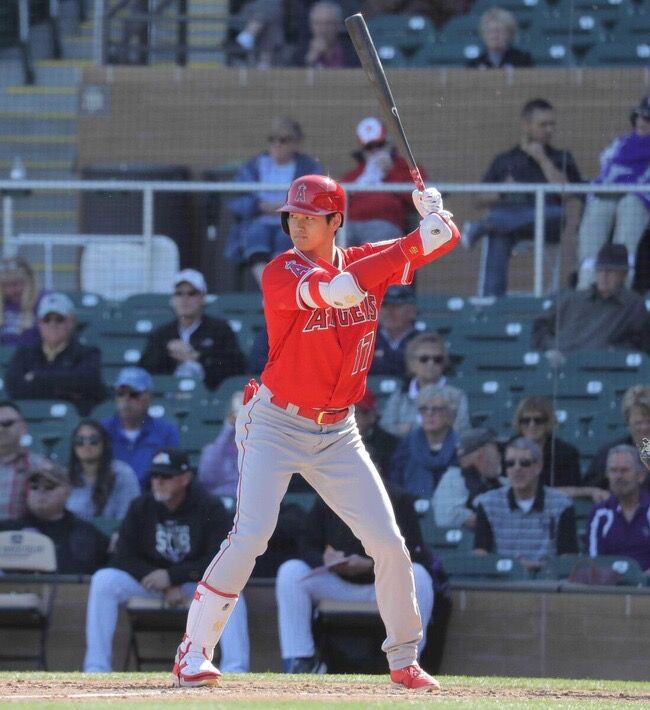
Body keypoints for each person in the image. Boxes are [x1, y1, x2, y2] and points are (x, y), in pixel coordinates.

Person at [171, 174, 460, 692]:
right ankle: (193, 652)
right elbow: (338, 290)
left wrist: (434, 218)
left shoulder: (365, 258)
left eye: (309, 217)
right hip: (275, 422)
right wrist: (413, 242)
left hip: (338, 430)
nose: (298, 225)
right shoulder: (281, 270)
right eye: (292, 216)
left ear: (336, 221)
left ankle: (404, 659)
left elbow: (446, 242)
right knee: (251, 534)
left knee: (388, 542)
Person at [83, 448, 249, 673]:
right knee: (104, 580)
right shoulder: (141, 506)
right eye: (155, 475)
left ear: (185, 478)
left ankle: (236, 669)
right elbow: (122, 556)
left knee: (229, 589)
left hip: (194, 586)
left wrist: (173, 577)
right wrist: (158, 580)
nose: (158, 482)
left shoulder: (209, 506)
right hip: (151, 584)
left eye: (166, 476)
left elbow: (219, 559)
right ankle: (96, 668)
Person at [275, 482, 435, 672]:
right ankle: (300, 661)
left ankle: (408, 663)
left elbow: (415, 554)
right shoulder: (328, 495)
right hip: (338, 584)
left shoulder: (397, 498)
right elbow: (306, 546)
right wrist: (324, 559)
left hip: (382, 586)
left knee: (419, 575)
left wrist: (371, 565)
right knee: (291, 572)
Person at [461, 98, 583, 297]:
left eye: (552, 124)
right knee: (498, 235)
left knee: (549, 214)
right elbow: (478, 198)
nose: (549, 130)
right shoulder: (505, 160)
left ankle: (484, 225)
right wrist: (503, 191)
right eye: (543, 125)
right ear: (526, 125)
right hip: (511, 225)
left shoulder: (562, 157)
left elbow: (567, 192)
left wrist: (543, 160)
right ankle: (492, 301)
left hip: (549, 221)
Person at [224, 116, 323, 286]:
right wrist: (257, 206)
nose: (277, 144)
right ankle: (269, 289)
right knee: (255, 234)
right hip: (258, 218)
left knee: (286, 238)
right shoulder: (253, 166)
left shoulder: (308, 167)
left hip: (292, 221)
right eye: (272, 139)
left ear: (295, 143)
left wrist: (290, 208)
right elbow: (234, 198)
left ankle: (276, 289)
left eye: (283, 140)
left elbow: (317, 198)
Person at [576, 96, 650, 289]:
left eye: (648, 119)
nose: (642, 122)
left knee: (630, 205)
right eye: (640, 116)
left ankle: (622, 285)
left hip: (641, 200)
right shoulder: (621, 144)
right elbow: (606, 170)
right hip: (612, 194)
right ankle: (587, 284)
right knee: (598, 206)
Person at [474, 437, 578, 572]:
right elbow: (480, 555)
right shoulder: (488, 504)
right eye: (510, 463)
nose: (517, 468)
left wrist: (540, 567)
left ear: (538, 467)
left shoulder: (562, 504)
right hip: (502, 580)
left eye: (524, 463)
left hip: (548, 580)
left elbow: (568, 558)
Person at [531, 244, 649, 363]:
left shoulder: (633, 305)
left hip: (599, 365)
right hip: (560, 362)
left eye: (610, 271)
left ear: (623, 275)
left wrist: (613, 351)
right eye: (600, 270)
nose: (604, 276)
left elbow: (641, 343)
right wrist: (551, 346)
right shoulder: (573, 299)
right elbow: (539, 326)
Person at [139, 269, 246, 391]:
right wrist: (166, 351)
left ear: (203, 297)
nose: (185, 299)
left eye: (192, 293)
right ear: (173, 299)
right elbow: (144, 371)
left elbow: (237, 368)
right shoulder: (161, 334)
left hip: (209, 396)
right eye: (179, 293)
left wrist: (197, 357)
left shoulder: (220, 330)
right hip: (169, 396)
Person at [5, 292, 107, 415]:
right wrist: (67, 389)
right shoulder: (23, 354)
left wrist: (35, 378)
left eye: (59, 319)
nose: (52, 324)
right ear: (39, 323)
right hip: (31, 418)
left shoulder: (88, 353)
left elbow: (86, 382)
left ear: (71, 321)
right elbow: (14, 388)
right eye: (46, 319)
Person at [0, 462, 109, 574]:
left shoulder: (86, 533)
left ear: (67, 492)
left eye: (49, 487)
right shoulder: (7, 530)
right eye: (34, 487)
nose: (41, 491)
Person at [340, 117, 426, 246]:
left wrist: (391, 172)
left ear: (388, 144)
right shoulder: (354, 174)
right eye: (369, 147)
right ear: (363, 151)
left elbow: (421, 196)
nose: (375, 151)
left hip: (385, 223)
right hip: (351, 224)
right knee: (332, 239)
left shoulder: (405, 167)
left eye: (379, 145)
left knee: (374, 244)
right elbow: (338, 201)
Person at [101, 367, 180, 489]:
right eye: (121, 393)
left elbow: (171, 474)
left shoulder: (166, 432)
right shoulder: (102, 430)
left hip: (150, 496)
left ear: (149, 397)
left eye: (134, 394)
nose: (126, 399)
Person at [380, 332, 470, 437]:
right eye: (424, 359)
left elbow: (463, 432)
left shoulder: (457, 396)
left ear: (443, 363)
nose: (431, 363)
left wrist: (409, 428)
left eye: (437, 359)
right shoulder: (400, 395)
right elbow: (386, 428)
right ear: (412, 363)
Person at [389, 384, 460, 499]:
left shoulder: (460, 447)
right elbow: (396, 482)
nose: (429, 414)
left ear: (450, 415)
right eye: (424, 409)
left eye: (436, 409)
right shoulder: (406, 446)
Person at [588, 444, 650, 573]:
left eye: (624, 470)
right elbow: (593, 561)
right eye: (613, 471)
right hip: (609, 583)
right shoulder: (600, 514)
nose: (618, 476)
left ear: (641, 476)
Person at [65, 420, 140, 526]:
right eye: (80, 440)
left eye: (93, 440)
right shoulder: (66, 477)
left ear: (104, 444)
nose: (87, 444)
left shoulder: (123, 474)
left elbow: (129, 517)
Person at [433, 427, 506, 529]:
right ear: (480, 456)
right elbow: (446, 518)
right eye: (497, 449)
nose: (500, 456)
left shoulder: (501, 481)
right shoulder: (454, 478)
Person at [583, 384, 650, 490]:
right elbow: (591, 489)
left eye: (649, 421)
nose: (645, 427)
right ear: (628, 422)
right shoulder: (609, 453)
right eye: (638, 422)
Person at [0, 400, 58, 521]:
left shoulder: (41, 466)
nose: (1, 429)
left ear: (23, 428)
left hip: (21, 530)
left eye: (7, 423)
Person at [198, 390, 244, 498]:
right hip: (219, 502)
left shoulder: (261, 450)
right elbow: (206, 478)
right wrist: (229, 427)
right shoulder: (214, 449)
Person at [370, 284, 420, 376]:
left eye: (396, 306)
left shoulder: (423, 340)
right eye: (384, 305)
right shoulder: (368, 339)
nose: (389, 311)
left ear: (412, 311)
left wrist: (384, 356)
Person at [289, 1, 358, 68]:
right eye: (318, 23)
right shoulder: (298, 54)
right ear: (311, 25)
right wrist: (310, 59)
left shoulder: (353, 54)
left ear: (338, 25)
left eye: (328, 23)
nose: (323, 29)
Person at [467, 7, 533, 69]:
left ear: (510, 34)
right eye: (490, 31)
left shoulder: (523, 61)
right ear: (483, 35)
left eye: (499, 31)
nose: (494, 35)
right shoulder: (474, 65)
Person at [354, 387, 399, 479]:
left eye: (356, 412)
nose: (351, 418)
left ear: (372, 415)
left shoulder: (389, 444)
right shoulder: (338, 440)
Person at [0, 256, 43, 347]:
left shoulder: (44, 301)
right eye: (5, 286)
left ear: (30, 281)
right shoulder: (4, 303)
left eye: (15, 284)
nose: (10, 291)